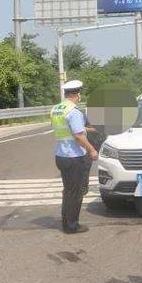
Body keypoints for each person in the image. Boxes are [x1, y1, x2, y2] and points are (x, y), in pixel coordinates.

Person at [50, 80, 98, 234]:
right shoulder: (74, 112)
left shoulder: (56, 109)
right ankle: (72, 226)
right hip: (74, 157)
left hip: (61, 155)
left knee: (68, 191)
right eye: (79, 94)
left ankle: (67, 222)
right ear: (77, 95)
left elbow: (66, 129)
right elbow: (78, 136)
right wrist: (91, 150)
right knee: (75, 193)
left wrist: (84, 129)